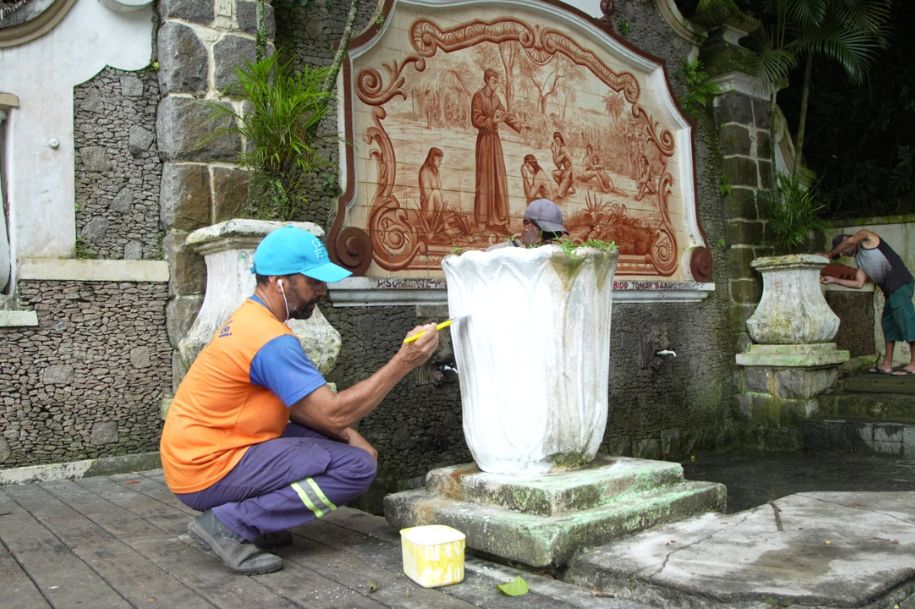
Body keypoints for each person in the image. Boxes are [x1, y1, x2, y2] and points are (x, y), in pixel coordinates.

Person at [160, 226, 440, 574]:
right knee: (356, 467)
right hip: (206, 469)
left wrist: (353, 437)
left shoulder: (251, 319)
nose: (322, 291)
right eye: (313, 282)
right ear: (279, 281)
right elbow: (333, 414)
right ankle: (232, 523)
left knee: (348, 448)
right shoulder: (270, 339)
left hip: (198, 455)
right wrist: (404, 362)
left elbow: (300, 407)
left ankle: (256, 520)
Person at [822, 229, 915, 375]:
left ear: (847, 240)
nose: (844, 254)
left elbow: (852, 241)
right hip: (890, 293)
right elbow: (859, 283)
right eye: (841, 254)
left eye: (843, 250)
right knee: (888, 325)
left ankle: (914, 364)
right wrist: (834, 280)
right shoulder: (860, 260)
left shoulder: (867, 238)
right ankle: (887, 364)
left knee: (907, 322)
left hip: (901, 286)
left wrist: (830, 254)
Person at [471, 68, 520, 232]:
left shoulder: (496, 98)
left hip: (495, 140)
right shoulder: (478, 96)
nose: (496, 83)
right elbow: (475, 118)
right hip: (485, 139)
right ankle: (483, 221)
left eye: (497, 80)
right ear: (486, 80)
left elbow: (505, 115)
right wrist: (490, 121)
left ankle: (502, 221)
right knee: (484, 178)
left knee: (499, 177)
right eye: (494, 80)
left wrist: (518, 125)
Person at [418, 146, 445, 214]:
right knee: (436, 192)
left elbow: (439, 186)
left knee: (437, 192)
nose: (440, 162)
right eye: (439, 160)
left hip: (435, 205)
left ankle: (442, 217)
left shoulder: (436, 171)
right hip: (428, 207)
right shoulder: (425, 171)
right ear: (433, 159)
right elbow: (427, 193)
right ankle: (441, 218)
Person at [550, 131, 575, 200]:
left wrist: (553, 152)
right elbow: (558, 166)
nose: (557, 142)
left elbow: (557, 161)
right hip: (565, 172)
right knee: (553, 173)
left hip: (569, 173)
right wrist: (554, 153)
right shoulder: (561, 149)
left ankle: (568, 185)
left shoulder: (564, 149)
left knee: (559, 195)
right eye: (555, 141)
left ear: (561, 139)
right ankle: (564, 187)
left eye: (557, 140)